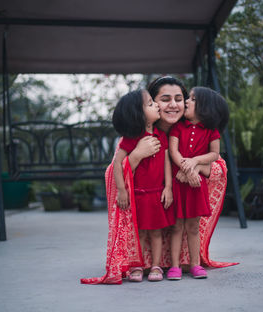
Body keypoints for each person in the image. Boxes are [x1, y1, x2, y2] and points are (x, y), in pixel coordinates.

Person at [80, 76, 238, 285]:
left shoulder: (192, 126)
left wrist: (195, 167)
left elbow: (219, 166)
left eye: (179, 98)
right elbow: (112, 172)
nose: (173, 105)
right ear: (151, 104)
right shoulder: (136, 134)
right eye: (164, 99)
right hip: (148, 203)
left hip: (181, 201)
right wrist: (136, 155)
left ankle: (183, 261)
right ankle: (143, 262)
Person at [167, 86, 229, 280]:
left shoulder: (211, 131)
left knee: (193, 227)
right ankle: (175, 266)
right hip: (179, 185)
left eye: (192, 99)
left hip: (196, 186)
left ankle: (195, 264)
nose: (186, 101)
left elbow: (214, 154)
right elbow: (173, 151)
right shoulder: (178, 127)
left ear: (205, 107)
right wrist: (185, 167)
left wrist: (194, 162)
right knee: (176, 227)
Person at [111, 89, 174, 282]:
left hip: (156, 194)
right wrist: (122, 190)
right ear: (138, 115)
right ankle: (137, 266)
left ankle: (156, 266)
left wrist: (168, 187)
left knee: (156, 233)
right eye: (150, 104)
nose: (156, 105)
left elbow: (166, 163)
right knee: (138, 233)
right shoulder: (131, 140)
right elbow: (117, 165)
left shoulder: (161, 136)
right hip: (136, 195)